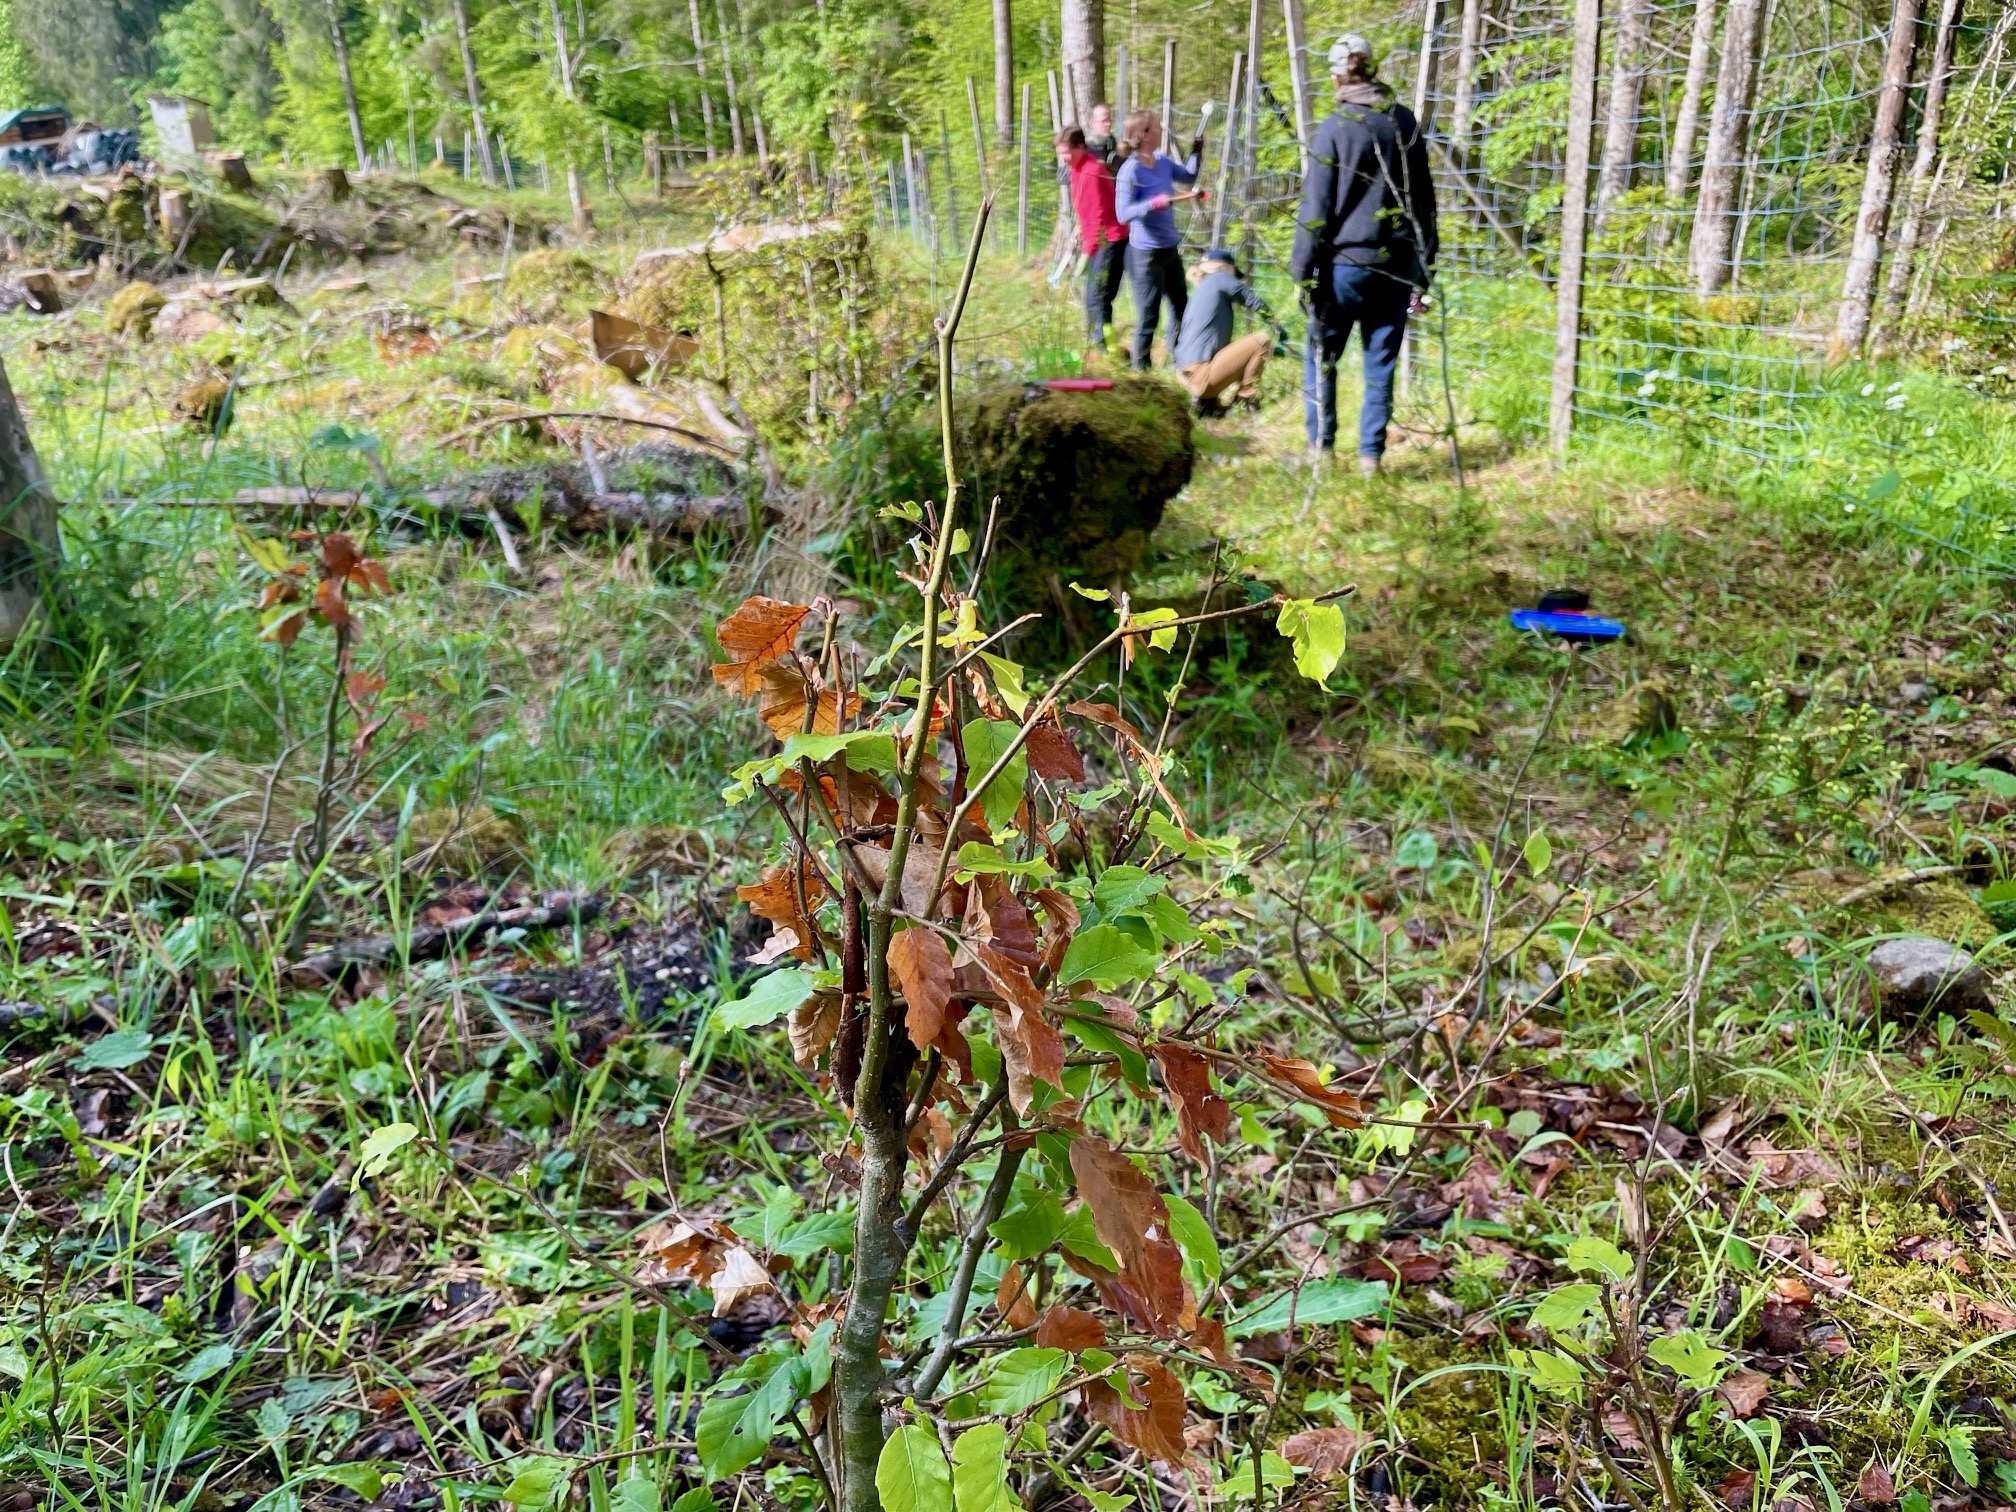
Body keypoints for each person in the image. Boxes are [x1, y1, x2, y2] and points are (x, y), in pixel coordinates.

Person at [1289, 32, 1439, 475]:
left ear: (1337, 79)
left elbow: (1315, 207)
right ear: (1372, 70)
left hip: (1342, 268)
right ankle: (1370, 459)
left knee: (1322, 357)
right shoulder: (1403, 122)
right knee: (1381, 362)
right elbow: (1425, 201)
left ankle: (1321, 451)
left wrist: (1303, 270)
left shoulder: (1335, 127)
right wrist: (1424, 270)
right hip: (1395, 265)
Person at [1114, 109, 1202, 371]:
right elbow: (1123, 214)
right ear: (1143, 134)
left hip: (1169, 249)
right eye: (1156, 127)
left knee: (1180, 306)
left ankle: (1178, 361)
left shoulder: (1162, 161)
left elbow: (1188, 177)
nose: (1162, 129)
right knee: (1149, 315)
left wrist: (1197, 152)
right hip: (1145, 256)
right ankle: (1141, 373)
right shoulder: (1130, 171)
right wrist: (1151, 204)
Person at [1175, 247, 1279, 413]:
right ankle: (1246, 400)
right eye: (1234, 273)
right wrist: (1277, 327)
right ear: (1223, 267)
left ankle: (1207, 403)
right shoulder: (1219, 278)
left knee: (1244, 353)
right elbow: (1253, 300)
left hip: (1184, 375)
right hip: (1201, 376)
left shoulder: (1201, 289)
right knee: (1261, 340)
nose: (1235, 279)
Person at [1059, 125, 1128, 352]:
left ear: (1080, 147)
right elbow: (1085, 207)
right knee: (1093, 298)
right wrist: (1080, 228)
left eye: (1066, 153)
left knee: (1098, 297)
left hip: (1109, 241)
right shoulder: (1076, 170)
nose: (1063, 158)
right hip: (1096, 241)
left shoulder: (1091, 171)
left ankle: (1103, 348)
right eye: (1060, 154)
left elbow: (1100, 214)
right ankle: (1099, 345)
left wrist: (1086, 253)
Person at [1084, 103, 1121, 172]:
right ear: (1092, 123)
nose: (1108, 124)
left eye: (1110, 120)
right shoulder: (1090, 144)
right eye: (1104, 121)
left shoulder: (1111, 140)